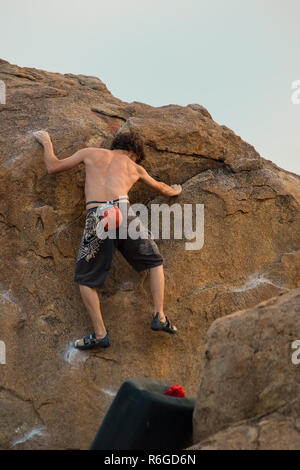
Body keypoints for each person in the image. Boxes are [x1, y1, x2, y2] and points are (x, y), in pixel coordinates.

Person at [33, 130, 182, 350]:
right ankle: (159, 315)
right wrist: (176, 190)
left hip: (99, 214)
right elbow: (162, 188)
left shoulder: (90, 153)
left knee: (85, 279)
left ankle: (100, 333)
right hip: (123, 210)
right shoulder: (135, 167)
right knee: (155, 262)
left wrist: (46, 142)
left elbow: (53, 167)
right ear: (133, 152)